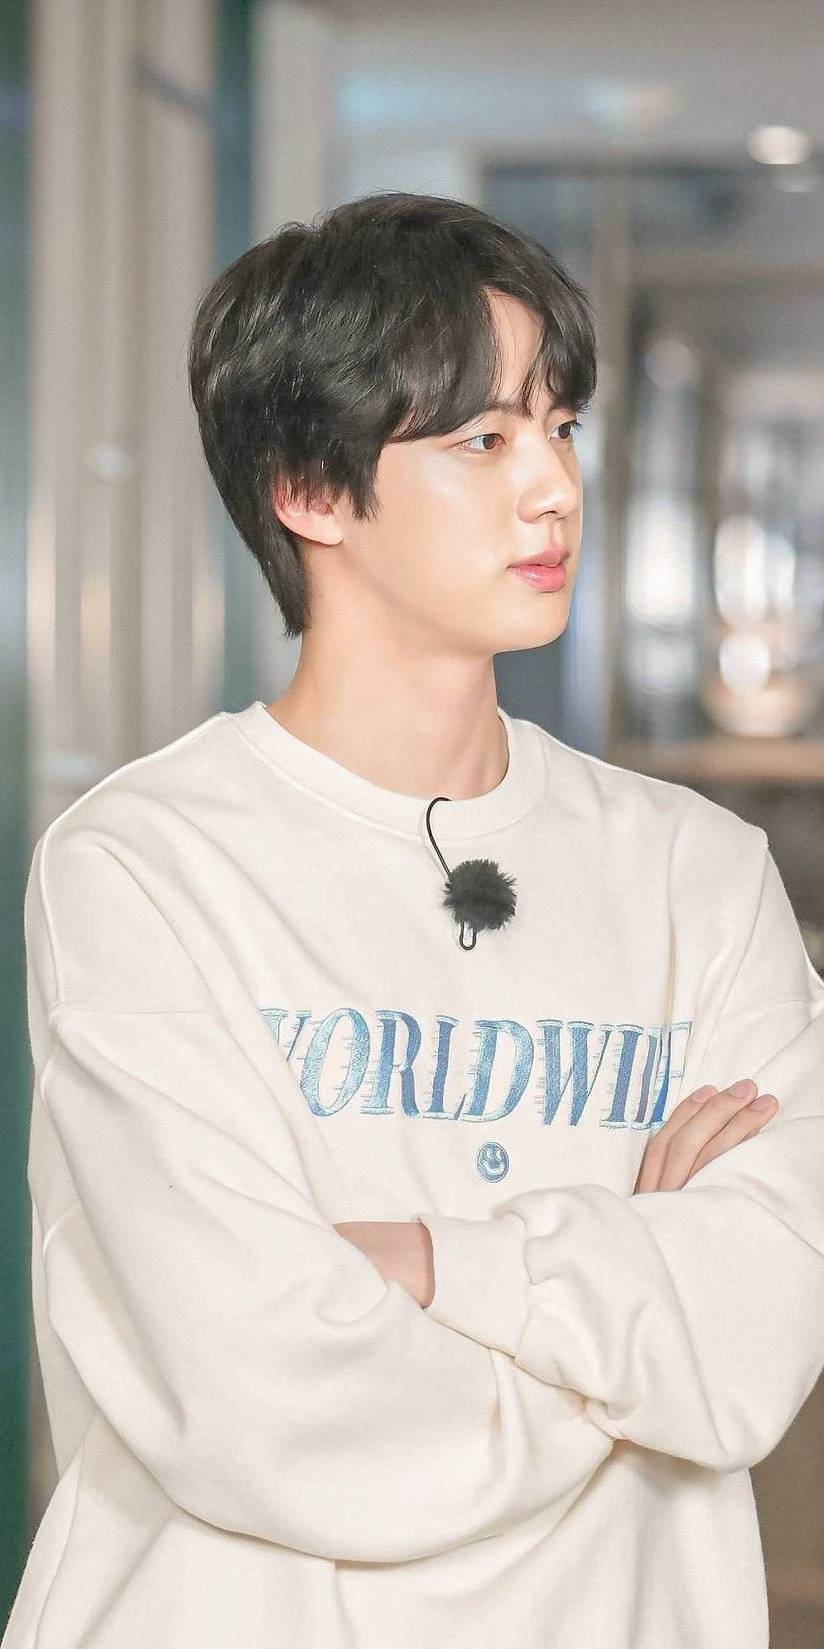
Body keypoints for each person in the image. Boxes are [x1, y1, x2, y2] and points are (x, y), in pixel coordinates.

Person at [6, 192, 824, 1649]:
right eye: (481, 440)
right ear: (308, 492)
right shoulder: (144, 866)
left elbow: (758, 1340)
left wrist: (439, 1266)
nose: (554, 488)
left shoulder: (698, 873)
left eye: (561, 426)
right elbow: (265, 1393)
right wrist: (636, 1323)